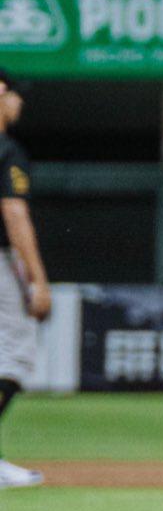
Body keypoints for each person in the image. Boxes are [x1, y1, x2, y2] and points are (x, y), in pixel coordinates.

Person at [0, 71, 50, 489]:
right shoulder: (6, 149)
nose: (19, 104)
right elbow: (15, 215)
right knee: (13, 357)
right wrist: (38, 280)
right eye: (15, 95)